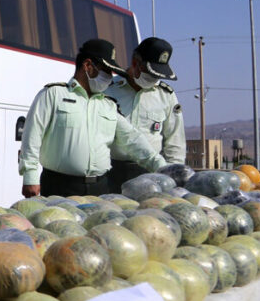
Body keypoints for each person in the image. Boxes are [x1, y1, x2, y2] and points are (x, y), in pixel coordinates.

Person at [20, 38, 166, 197]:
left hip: (100, 188)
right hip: (60, 187)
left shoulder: (108, 105)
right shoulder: (53, 95)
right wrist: (30, 177)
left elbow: (132, 139)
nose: (110, 77)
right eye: (106, 71)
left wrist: (161, 167)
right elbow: (32, 138)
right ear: (88, 66)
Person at [104, 37, 185, 190]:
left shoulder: (166, 95)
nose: (154, 80)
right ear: (135, 63)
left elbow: (175, 143)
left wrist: (175, 177)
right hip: (111, 173)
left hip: (151, 175)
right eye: (150, 75)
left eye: (158, 76)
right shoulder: (108, 89)